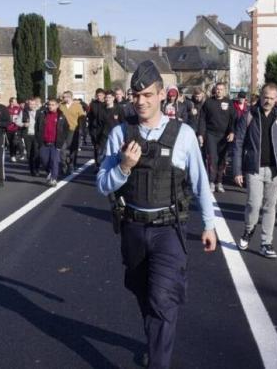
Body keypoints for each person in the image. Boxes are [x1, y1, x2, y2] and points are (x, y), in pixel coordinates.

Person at [96, 60, 217, 369]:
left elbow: (201, 180)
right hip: (133, 229)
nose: (141, 101)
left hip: (168, 229)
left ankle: (158, 362)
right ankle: (155, 345)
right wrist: (123, 167)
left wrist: (209, 224)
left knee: (163, 301)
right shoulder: (120, 134)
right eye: (136, 95)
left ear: (162, 95)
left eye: (148, 94)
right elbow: (102, 184)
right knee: (144, 294)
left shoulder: (184, 134)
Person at [233, 82, 277, 258]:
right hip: (254, 168)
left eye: (272, 98)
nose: (268, 101)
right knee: (253, 204)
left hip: (275, 169)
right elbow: (238, 143)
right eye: (265, 97)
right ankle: (248, 230)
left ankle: (266, 243)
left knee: (270, 207)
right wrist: (237, 170)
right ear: (260, 96)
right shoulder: (249, 115)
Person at [199, 82, 236, 193]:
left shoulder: (229, 103)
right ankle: (211, 181)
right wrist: (201, 134)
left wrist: (232, 132)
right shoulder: (208, 103)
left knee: (222, 159)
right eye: (217, 89)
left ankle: (219, 182)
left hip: (224, 136)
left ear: (224, 91)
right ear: (215, 90)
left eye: (221, 89)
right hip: (211, 134)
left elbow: (233, 119)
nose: (219, 91)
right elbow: (202, 119)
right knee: (212, 158)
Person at [36, 97, 68, 187]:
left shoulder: (61, 116)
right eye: (49, 104)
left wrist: (61, 140)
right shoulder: (43, 114)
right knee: (44, 160)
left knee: (54, 161)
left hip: (55, 143)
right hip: (44, 143)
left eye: (53, 105)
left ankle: (54, 178)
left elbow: (66, 129)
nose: (50, 106)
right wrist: (38, 139)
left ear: (57, 106)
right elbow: (37, 127)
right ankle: (49, 172)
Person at [59, 90, 86, 174]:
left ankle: (71, 164)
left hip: (74, 130)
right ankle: (63, 164)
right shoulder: (61, 106)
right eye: (62, 97)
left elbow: (82, 117)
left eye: (64, 97)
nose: (62, 98)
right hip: (63, 130)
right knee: (62, 148)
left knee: (73, 149)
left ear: (69, 97)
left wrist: (82, 129)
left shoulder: (77, 106)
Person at [17, 97, 41, 176]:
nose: (32, 106)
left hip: (36, 135)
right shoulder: (23, 112)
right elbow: (17, 122)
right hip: (27, 135)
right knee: (29, 154)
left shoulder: (40, 112)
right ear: (28, 104)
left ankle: (37, 168)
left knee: (37, 153)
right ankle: (32, 170)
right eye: (30, 104)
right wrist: (23, 124)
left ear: (36, 104)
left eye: (33, 104)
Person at [88, 88, 106, 166]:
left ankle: (104, 164)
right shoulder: (93, 104)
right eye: (97, 95)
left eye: (100, 95)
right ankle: (97, 164)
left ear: (104, 95)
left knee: (104, 148)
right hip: (95, 129)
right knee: (96, 148)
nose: (99, 97)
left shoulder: (106, 104)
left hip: (104, 128)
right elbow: (90, 116)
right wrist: (90, 129)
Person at [6, 97, 23, 162]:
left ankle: (14, 154)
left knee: (15, 142)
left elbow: (22, 116)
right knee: (10, 143)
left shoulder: (19, 109)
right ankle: (12, 155)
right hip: (8, 128)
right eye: (14, 101)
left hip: (16, 128)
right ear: (11, 102)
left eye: (16, 101)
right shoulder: (6, 109)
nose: (16, 103)